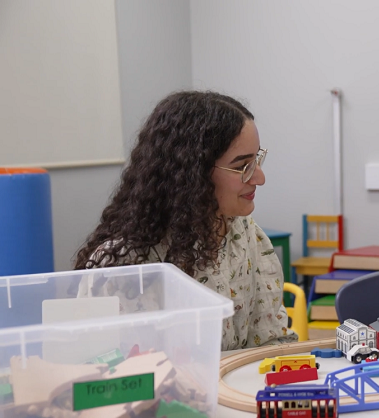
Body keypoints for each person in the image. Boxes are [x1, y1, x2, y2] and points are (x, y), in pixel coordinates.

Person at [74, 91, 297, 351]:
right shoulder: (124, 266)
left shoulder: (244, 231)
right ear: (194, 174)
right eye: (241, 167)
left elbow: (271, 341)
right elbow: (103, 373)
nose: (259, 178)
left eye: (256, 159)